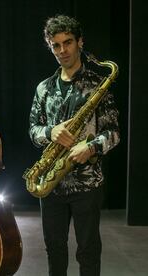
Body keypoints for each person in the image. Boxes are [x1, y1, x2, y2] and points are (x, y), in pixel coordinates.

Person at [28, 15, 120, 276]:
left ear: (80, 42)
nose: (62, 51)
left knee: (88, 251)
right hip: (51, 184)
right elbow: (33, 131)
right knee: (54, 250)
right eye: (55, 45)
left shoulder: (98, 85)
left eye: (67, 42)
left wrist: (91, 147)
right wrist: (50, 131)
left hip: (87, 183)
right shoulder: (43, 88)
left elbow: (113, 133)